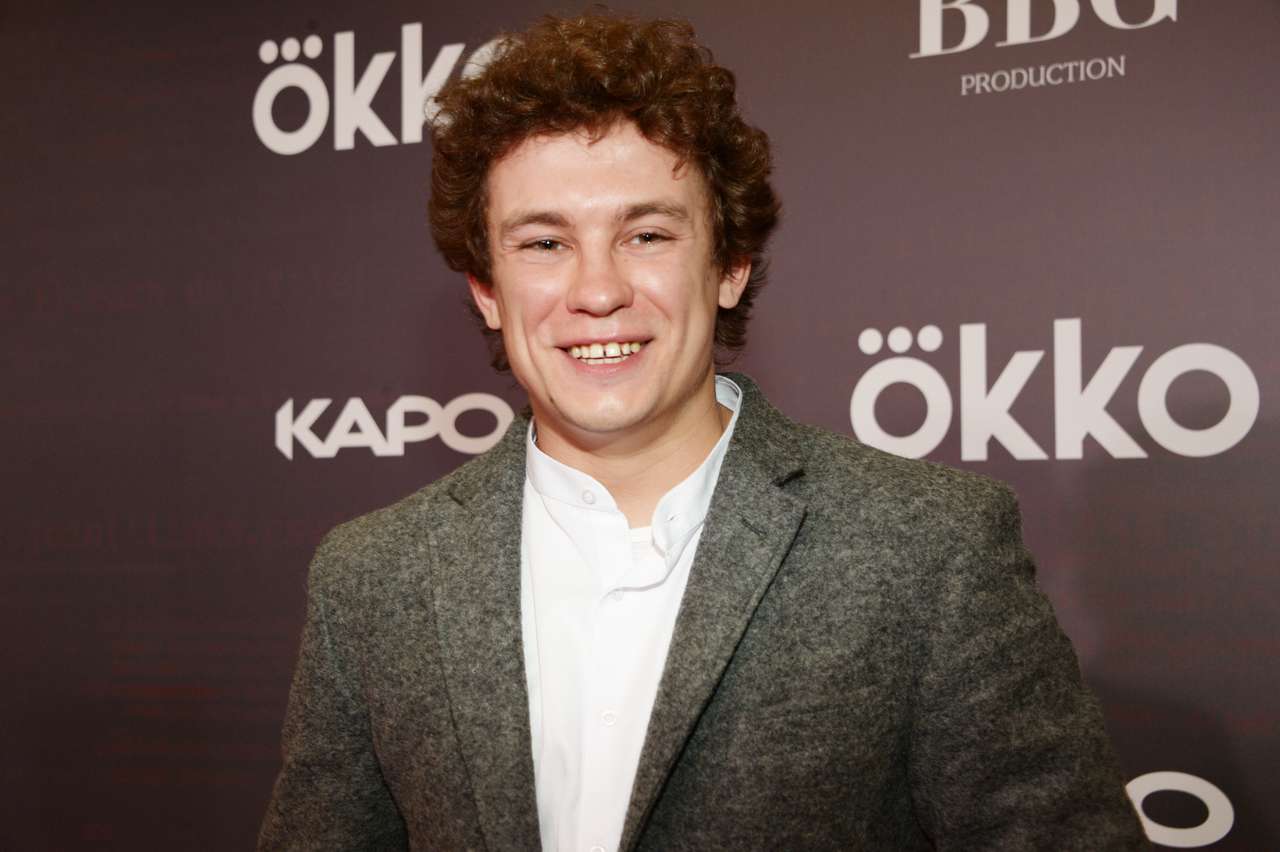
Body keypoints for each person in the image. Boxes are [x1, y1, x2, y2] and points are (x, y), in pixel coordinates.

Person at [259, 11, 1148, 851]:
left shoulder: (929, 549)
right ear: (487, 290)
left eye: (646, 235)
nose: (597, 290)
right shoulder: (371, 580)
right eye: (544, 244)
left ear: (730, 266)